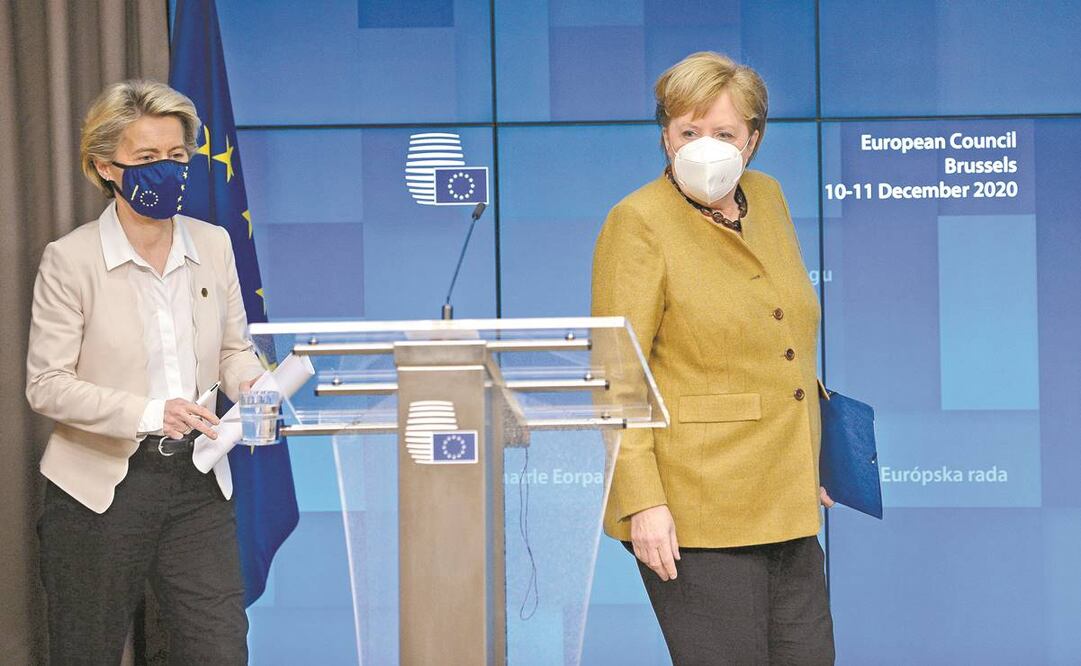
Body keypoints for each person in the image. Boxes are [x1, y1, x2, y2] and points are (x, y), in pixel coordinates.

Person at [592, 52, 836, 664]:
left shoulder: (768, 198)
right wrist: (642, 500)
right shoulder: (638, 221)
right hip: (695, 511)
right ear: (665, 137)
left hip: (787, 496)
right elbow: (618, 373)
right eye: (688, 132)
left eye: (724, 133)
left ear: (752, 140)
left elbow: (782, 333)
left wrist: (824, 447)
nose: (706, 147)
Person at [26, 80, 265, 664]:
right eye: (147, 159)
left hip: (198, 483)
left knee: (219, 650)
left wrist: (255, 384)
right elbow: (47, 385)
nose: (169, 171)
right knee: (88, 650)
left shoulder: (213, 243)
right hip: (100, 487)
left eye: (178, 156)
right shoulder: (71, 258)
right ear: (106, 167)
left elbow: (234, 350)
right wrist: (151, 413)